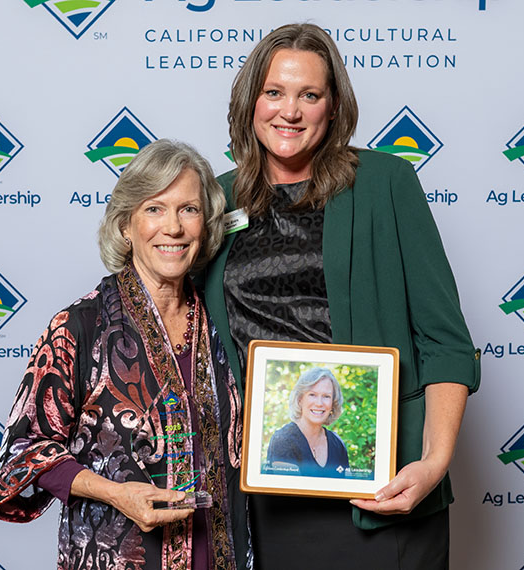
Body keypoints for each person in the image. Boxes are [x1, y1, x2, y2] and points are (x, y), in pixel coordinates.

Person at [203, 23, 480, 569]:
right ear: (249, 101)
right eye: (274, 92)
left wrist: (434, 461)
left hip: (383, 490)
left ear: (333, 107)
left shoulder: (386, 183)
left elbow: (445, 341)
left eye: (310, 94)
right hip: (264, 493)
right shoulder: (216, 197)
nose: (290, 111)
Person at [0, 139, 251, 570]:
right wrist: (115, 492)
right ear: (126, 226)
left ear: (206, 225)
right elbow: (24, 451)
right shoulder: (80, 326)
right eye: (154, 209)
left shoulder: (224, 324)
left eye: (189, 209)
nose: (173, 227)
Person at [266, 367, 349, 478]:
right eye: (312, 395)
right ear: (300, 399)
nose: (319, 403)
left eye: (326, 396)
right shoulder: (283, 440)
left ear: (333, 403)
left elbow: (346, 488)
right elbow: (290, 492)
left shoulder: (338, 444)